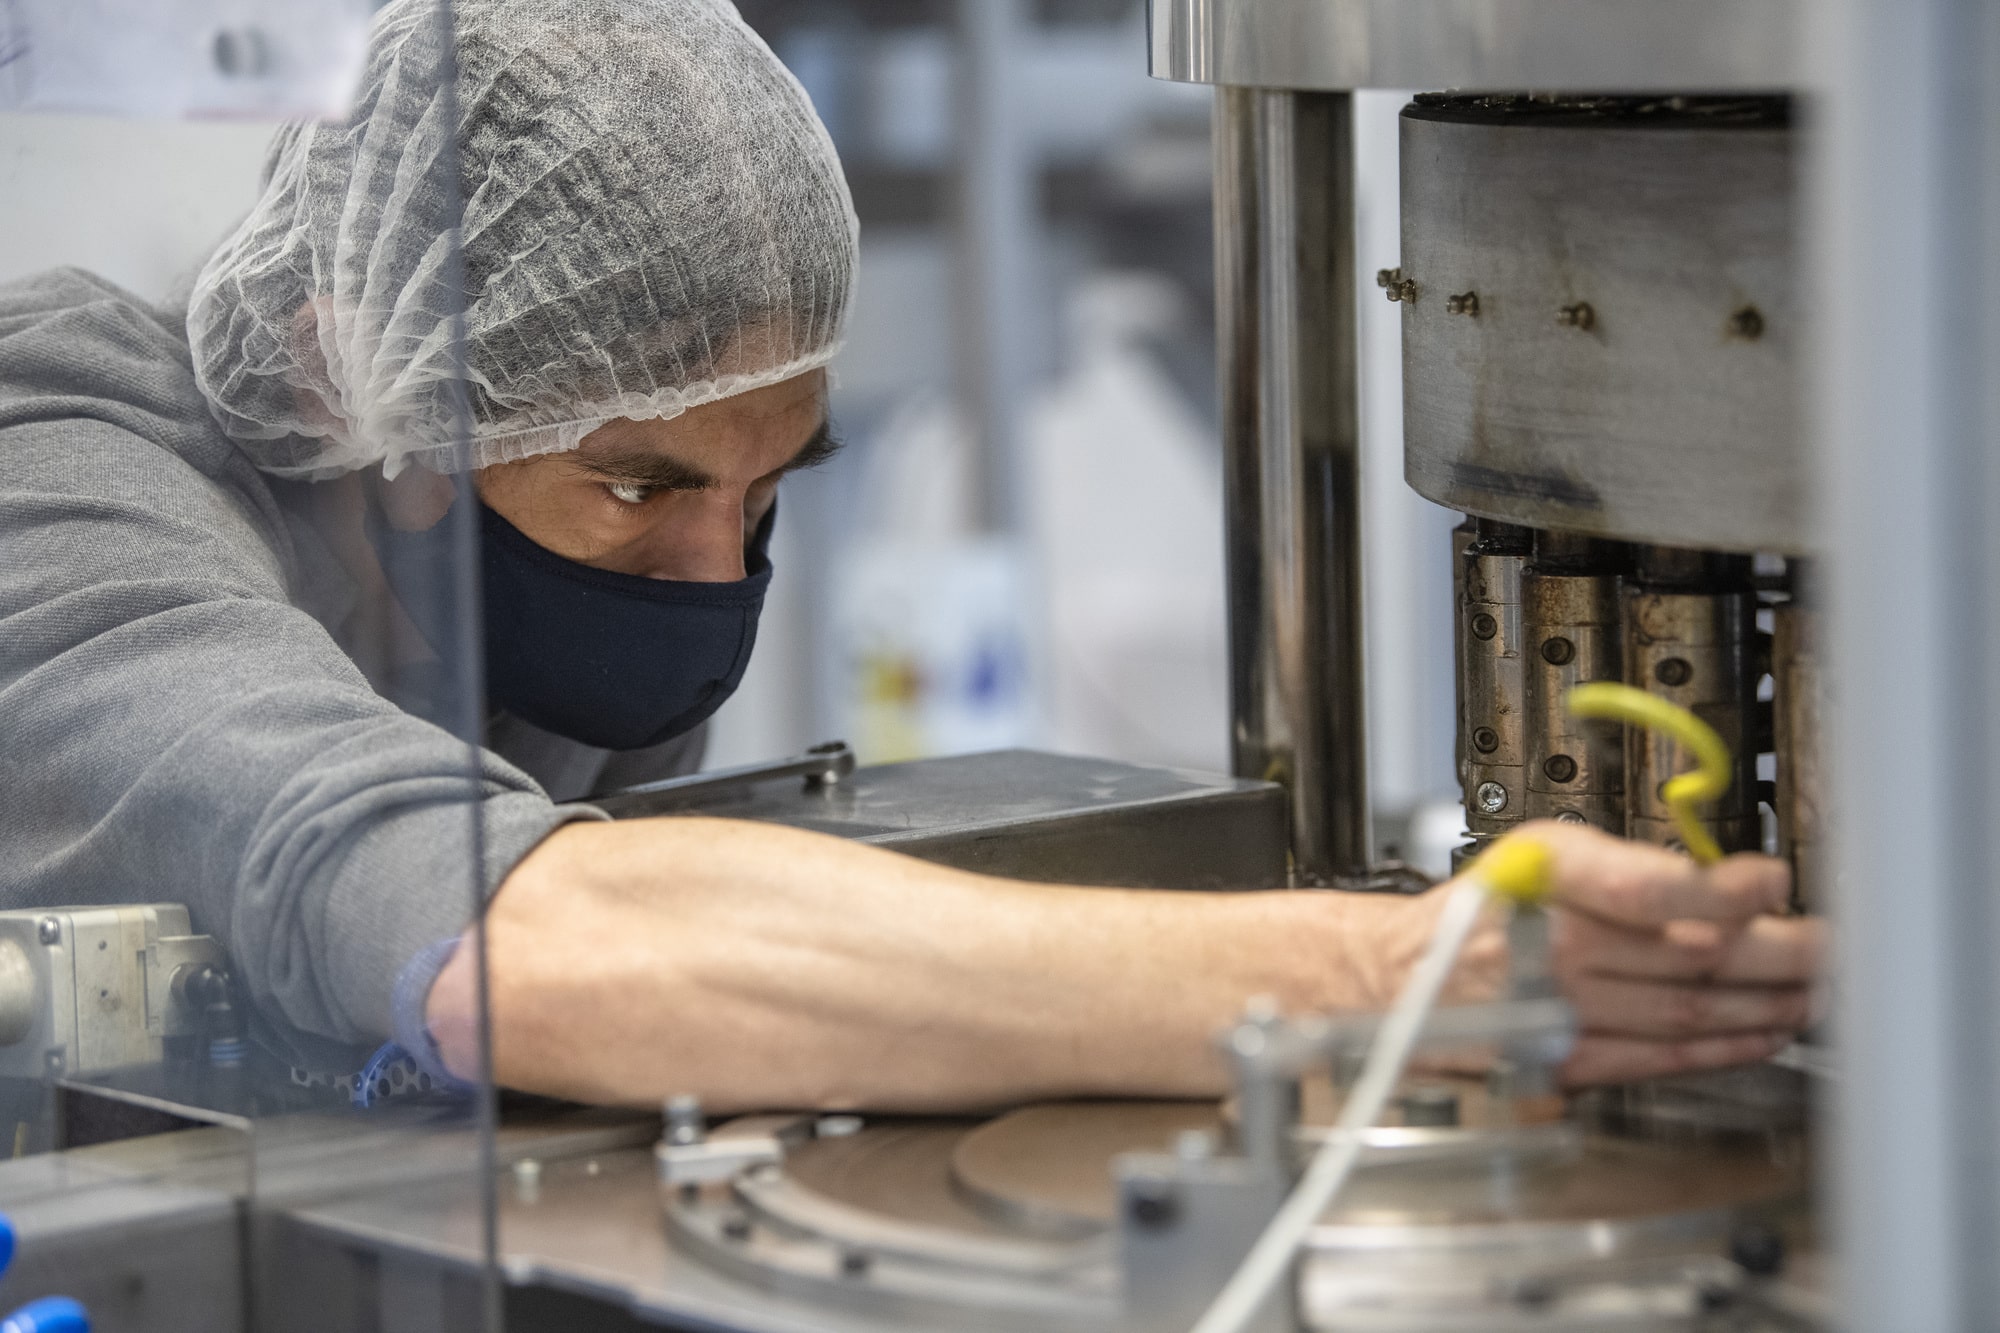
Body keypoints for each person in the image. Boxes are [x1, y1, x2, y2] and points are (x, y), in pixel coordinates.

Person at [0, 0, 1823, 1111]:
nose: (719, 578)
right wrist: (1384, 981)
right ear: (360, 376)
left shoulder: (530, 589)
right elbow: (507, 945)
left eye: (775, 488)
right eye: (641, 488)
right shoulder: (63, 483)